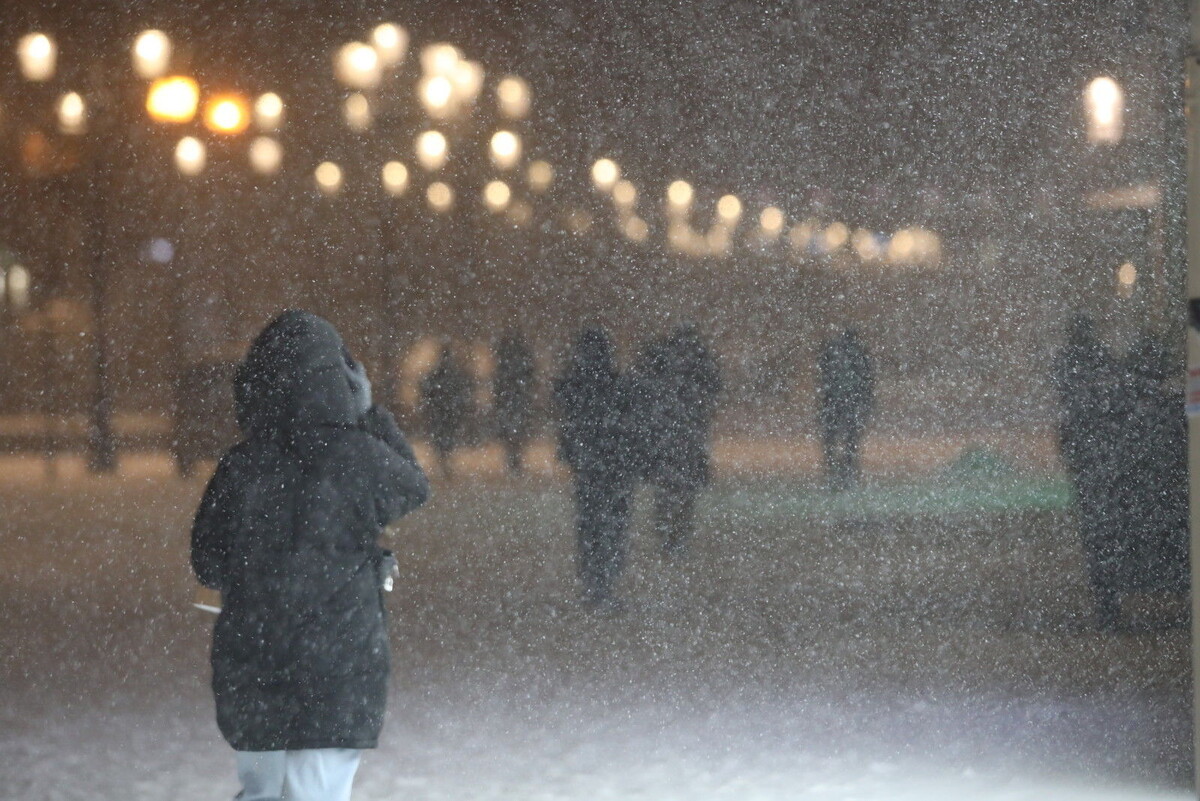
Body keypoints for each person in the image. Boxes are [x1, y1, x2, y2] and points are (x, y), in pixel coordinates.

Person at [191, 310, 429, 801]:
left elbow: (208, 563)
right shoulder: (356, 456)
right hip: (337, 669)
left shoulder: (242, 466)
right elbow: (412, 487)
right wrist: (370, 416)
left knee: (263, 790)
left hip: (254, 668)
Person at [1050, 315, 1123, 629]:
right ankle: (1108, 602)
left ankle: (1106, 603)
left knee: (1096, 529)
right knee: (1104, 528)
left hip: (1089, 455)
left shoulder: (1069, 362)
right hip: (1102, 455)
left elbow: (1064, 400)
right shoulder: (1100, 359)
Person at [554, 327, 634, 607]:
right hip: (613, 465)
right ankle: (603, 581)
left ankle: (594, 581)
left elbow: (567, 414)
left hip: (590, 466)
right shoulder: (615, 384)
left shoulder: (576, 385)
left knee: (591, 525)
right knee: (611, 526)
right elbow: (629, 422)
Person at [629, 324, 722, 555]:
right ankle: (677, 535)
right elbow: (712, 393)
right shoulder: (697, 369)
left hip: (668, 438)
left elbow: (643, 390)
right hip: (687, 439)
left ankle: (668, 534)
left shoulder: (663, 365)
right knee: (683, 493)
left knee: (667, 490)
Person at [816, 327, 874, 491]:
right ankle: (845, 471)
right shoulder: (858, 354)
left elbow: (825, 377)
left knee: (836, 438)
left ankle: (836, 471)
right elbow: (866, 380)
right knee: (848, 439)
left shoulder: (835, 354)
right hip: (847, 401)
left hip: (837, 401)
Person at [419, 343, 473, 479]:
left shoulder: (438, 374)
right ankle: (445, 460)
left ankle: (443, 459)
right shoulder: (451, 375)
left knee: (442, 436)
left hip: (441, 410)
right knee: (446, 436)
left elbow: (427, 389)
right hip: (447, 410)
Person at [492, 330, 537, 474]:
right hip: (516, 399)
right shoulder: (520, 360)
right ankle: (514, 457)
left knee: (512, 430)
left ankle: (513, 457)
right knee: (515, 430)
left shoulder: (505, 361)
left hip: (510, 399)